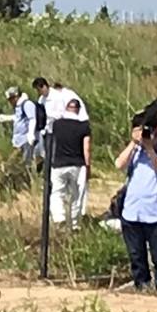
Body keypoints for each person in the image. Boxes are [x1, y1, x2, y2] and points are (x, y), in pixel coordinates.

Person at [116, 108, 157, 294]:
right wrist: (134, 143)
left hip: (155, 213)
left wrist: (150, 148)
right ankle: (141, 286)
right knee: (136, 255)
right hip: (132, 211)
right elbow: (119, 164)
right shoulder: (135, 150)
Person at [47, 96, 91, 230]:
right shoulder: (84, 126)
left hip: (59, 163)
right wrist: (88, 166)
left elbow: (52, 143)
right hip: (77, 164)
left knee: (56, 192)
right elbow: (87, 147)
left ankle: (59, 218)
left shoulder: (57, 124)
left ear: (67, 108)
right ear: (78, 110)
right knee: (77, 194)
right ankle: (75, 223)